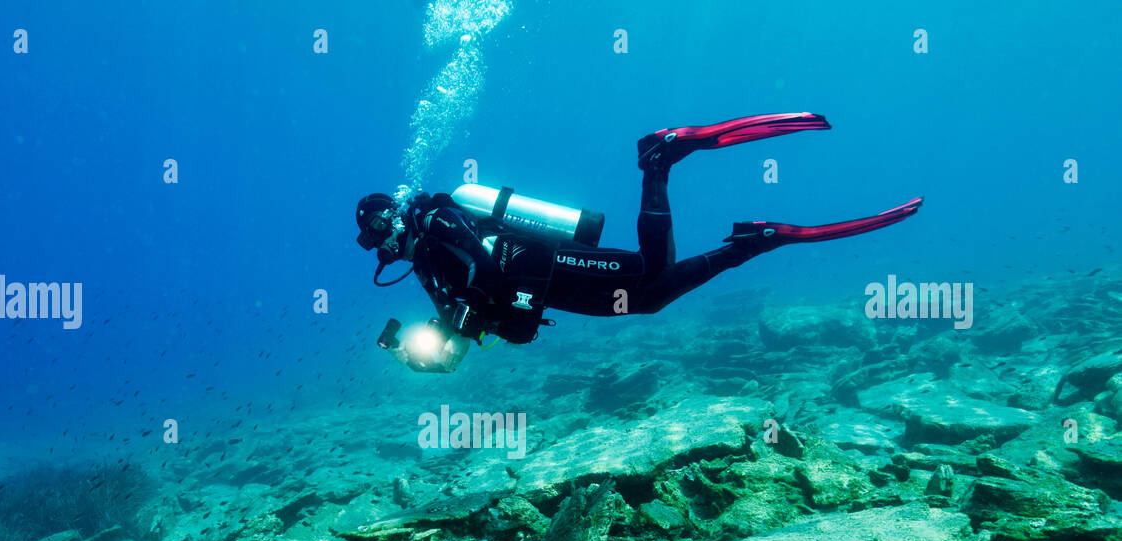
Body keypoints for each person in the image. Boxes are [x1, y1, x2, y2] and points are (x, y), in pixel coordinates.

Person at [356, 112, 922, 373]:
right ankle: (754, 242)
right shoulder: (428, 265)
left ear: (391, 220)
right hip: (552, 290)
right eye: (374, 242)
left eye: (378, 235)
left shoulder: (435, 227)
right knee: (649, 298)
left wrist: (489, 315)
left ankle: (659, 159)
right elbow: (464, 321)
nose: (382, 250)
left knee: (651, 270)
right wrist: (425, 354)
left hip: (547, 268)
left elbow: (489, 267)